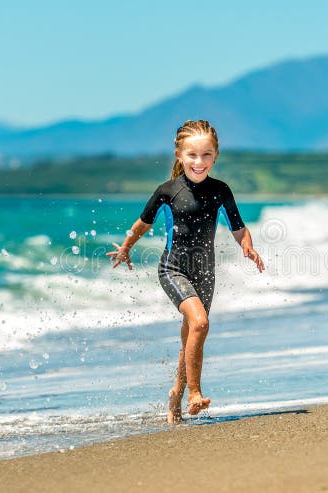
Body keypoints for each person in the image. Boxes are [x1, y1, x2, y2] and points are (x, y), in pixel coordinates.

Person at [106, 119, 265, 424]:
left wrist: (248, 246)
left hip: (206, 273)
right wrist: (126, 246)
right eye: (192, 155)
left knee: (192, 335)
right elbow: (143, 224)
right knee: (201, 323)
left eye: (206, 155)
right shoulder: (167, 191)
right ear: (179, 155)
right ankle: (194, 393)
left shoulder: (220, 191)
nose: (199, 162)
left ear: (215, 156)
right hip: (173, 269)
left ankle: (175, 398)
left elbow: (238, 227)